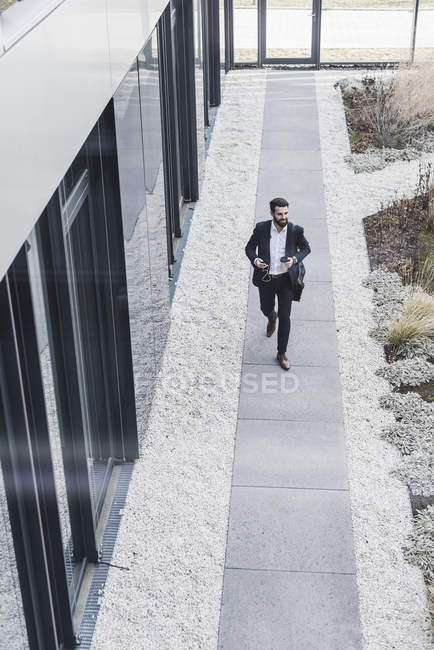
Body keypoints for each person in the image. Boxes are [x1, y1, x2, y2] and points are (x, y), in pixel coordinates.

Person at [245, 197, 311, 370]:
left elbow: (306, 248)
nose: (284, 217)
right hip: (266, 279)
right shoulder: (261, 228)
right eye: (280, 214)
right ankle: (271, 317)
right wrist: (255, 260)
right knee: (265, 308)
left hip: (285, 281)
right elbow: (249, 248)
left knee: (286, 316)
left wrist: (294, 259)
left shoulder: (296, 230)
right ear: (272, 213)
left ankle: (281, 353)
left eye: (286, 213)